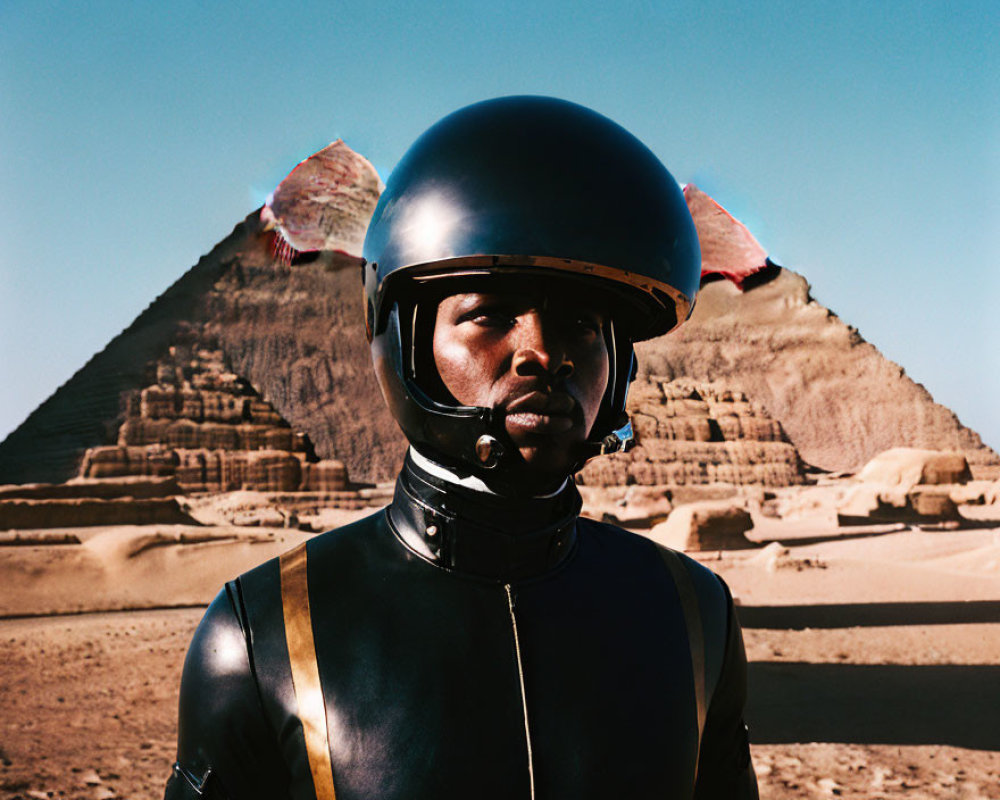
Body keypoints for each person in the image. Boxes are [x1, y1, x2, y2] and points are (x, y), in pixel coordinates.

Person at [165, 96, 758, 800]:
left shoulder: (697, 618)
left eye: (578, 321)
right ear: (406, 342)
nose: (542, 352)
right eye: (488, 315)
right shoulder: (262, 635)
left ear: (621, 363)